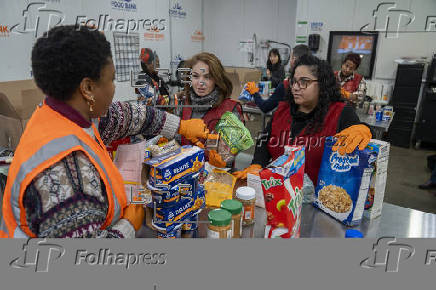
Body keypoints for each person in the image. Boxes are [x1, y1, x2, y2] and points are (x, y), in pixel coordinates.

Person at [0, 25, 209, 238]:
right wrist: (128, 224)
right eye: (112, 79)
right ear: (88, 88)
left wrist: (181, 126)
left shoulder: (63, 114)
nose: (114, 87)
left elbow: (129, 116)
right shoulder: (65, 175)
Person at [234, 55, 372, 184]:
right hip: (278, 191)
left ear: (322, 83)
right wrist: (257, 164)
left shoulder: (340, 113)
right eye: (294, 81)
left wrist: (364, 128)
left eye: (304, 82)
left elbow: (359, 138)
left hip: (317, 199)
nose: (295, 87)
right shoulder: (284, 109)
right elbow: (264, 140)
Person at [254, 45, 311, 113]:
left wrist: (254, 92)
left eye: (274, 56)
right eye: (271, 56)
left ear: (294, 60)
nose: (272, 58)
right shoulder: (313, 84)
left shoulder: (286, 84)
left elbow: (265, 107)